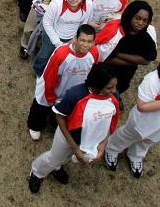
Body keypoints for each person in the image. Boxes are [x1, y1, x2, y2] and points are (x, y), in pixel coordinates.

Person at [27, 64, 120, 192]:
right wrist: (75, 148)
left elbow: (111, 122)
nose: (114, 91)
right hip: (68, 137)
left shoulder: (113, 97)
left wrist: (103, 144)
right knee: (54, 157)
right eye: (109, 87)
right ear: (97, 84)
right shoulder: (75, 95)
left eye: (115, 86)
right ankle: (37, 172)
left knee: (64, 158)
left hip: (87, 140)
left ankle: (57, 167)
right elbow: (60, 117)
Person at [27, 24, 99, 140]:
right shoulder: (61, 54)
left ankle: (54, 123)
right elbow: (50, 77)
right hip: (52, 88)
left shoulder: (94, 53)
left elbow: (92, 71)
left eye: (89, 41)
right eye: (82, 40)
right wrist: (51, 97)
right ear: (75, 38)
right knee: (41, 106)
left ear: (94, 42)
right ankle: (35, 125)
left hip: (71, 90)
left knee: (62, 110)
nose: (86, 45)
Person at [30, 0, 91, 75]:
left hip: (71, 38)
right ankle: (38, 71)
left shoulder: (88, 4)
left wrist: (76, 37)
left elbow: (84, 22)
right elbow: (47, 23)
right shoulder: (57, 3)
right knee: (45, 55)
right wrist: (57, 43)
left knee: (62, 58)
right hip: (52, 34)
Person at [98, 0, 158, 93]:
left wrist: (118, 54)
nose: (140, 23)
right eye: (137, 18)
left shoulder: (145, 38)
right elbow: (106, 59)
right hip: (102, 73)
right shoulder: (116, 30)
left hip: (123, 77)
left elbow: (147, 60)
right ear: (130, 15)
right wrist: (133, 61)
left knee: (115, 92)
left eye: (145, 20)